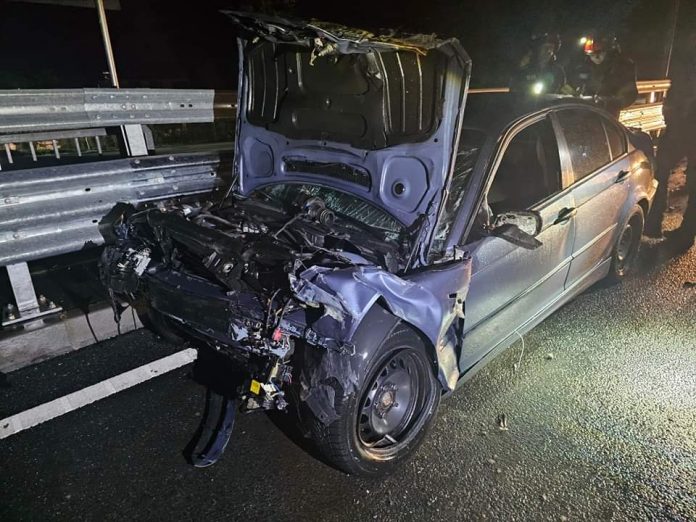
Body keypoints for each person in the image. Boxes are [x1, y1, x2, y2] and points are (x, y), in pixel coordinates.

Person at [644, 30, 696, 253]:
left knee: (691, 181)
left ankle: (685, 233)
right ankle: (655, 222)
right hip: (678, 129)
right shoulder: (685, 62)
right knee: (660, 170)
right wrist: (670, 115)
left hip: (687, 129)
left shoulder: (686, 63)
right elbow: (677, 93)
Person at [573, 34, 638, 117]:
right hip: (585, 112)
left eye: (599, 53)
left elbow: (629, 94)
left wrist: (607, 102)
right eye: (592, 55)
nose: (596, 57)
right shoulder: (585, 67)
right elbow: (576, 86)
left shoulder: (622, 67)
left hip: (608, 115)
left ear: (609, 52)